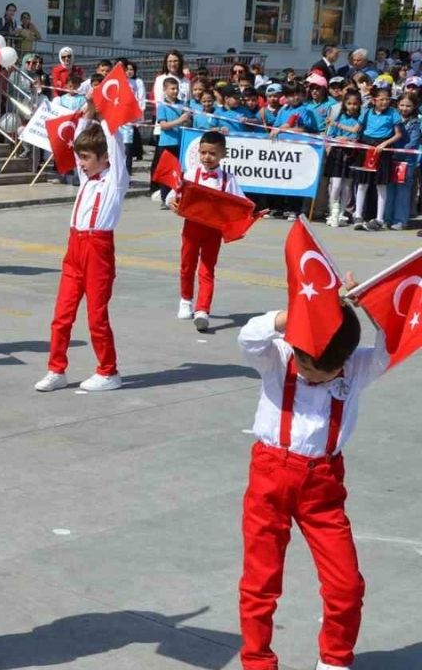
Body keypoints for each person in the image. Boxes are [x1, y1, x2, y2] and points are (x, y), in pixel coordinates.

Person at [236, 302, 387, 670]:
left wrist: (370, 305)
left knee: (346, 585)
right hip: (270, 477)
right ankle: (257, 661)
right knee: (260, 582)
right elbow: (249, 337)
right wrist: (300, 313)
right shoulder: (279, 356)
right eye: (306, 367)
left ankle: (335, 660)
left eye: (327, 371)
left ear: (346, 359)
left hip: (323, 486)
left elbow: (392, 344)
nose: (314, 376)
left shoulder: (358, 367)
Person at [35, 103, 128, 393]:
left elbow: (115, 148)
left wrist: (108, 114)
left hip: (98, 250)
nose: (82, 163)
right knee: (62, 314)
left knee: (96, 316)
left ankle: (108, 371)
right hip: (74, 247)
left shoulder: (115, 181)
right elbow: (77, 139)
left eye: (87, 158)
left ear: (104, 159)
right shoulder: (87, 177)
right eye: (81, 158)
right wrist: (88, 112)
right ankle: (56, 369)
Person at [167, 131, 243, 331]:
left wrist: (242, 222)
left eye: (212, 153)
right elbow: (174, 194)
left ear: (223, 154)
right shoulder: (191, 174)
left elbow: (240, 204)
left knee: (207, 269)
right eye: (203, 153)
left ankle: (203, 309)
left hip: (214, 231)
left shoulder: (229, 179)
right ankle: (186, 300)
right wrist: (173, 203)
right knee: (186, 265)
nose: (207, 157)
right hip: (191, 228)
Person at [352, 87, 402, 231]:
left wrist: (385, 144)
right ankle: (358, 215)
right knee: (362, 183)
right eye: (381, 99)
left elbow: (398, 134)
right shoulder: (367, 112)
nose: (384, 102)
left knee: (381, 184)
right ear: (374, 100)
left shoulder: (393, 113)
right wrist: (335, 124)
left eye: (387, 99)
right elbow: (356, 129)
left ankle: (380, 218)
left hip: (383, 149)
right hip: (367, 147)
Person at [323, 89, 364, 228]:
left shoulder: (360, 118)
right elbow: (331, 135)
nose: (352, 106)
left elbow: (358, 135)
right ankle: (332, 212)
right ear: (344, 104)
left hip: (352, 153)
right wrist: (337, 138)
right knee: (335, 185)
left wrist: (349, 138)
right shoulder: (339, 117)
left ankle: (342, 213)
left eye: (355, 104)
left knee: (347, 186)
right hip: (338, 152)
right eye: (349, 103)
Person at [153, 77, 192, 207]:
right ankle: (165, 198)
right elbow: (163, 125)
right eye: (172, 89)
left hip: (181, 142)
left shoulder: (182, 104)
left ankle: (177, 196)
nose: (175, 91)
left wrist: (187, 119)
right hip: (166, 143)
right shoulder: (162, 106)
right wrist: (180, 120)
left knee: (180, 171)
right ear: (165, 90)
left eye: (176, 88)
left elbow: (188, 122)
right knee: (167, 172)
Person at [387, 92, 419, 230]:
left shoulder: (416, 122)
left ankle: (401, 220)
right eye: (402, 105)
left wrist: (397, 150)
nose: (404, 108)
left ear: (414, 106)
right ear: (397, 105)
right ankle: (387, 218)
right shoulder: (392, 118)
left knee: (403, 191)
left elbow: (413, 141)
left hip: (406, 161)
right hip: (390, 159)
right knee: (389, 190)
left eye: (408, 106)